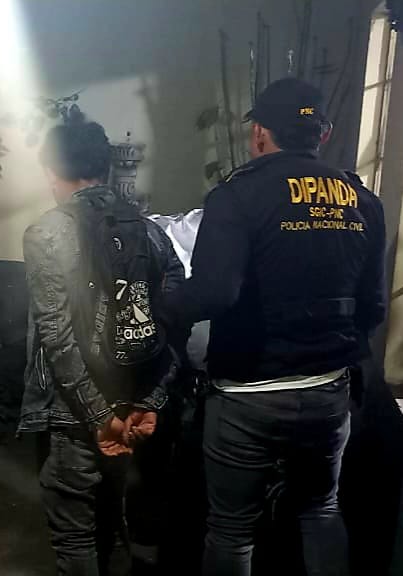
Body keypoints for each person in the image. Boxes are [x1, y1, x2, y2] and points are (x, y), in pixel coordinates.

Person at [159, 78, 386, 576]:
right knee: (320, 509)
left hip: (249, 393)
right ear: (322, 133)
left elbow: (216, 293)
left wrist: (159, 310)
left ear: (259, 133)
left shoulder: (237, 196)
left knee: (231, 528)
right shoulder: (362, 199)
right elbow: (372, 307)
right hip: (328, 391)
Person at [18, 109, 184, 576]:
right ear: (105, 167)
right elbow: (175, 319)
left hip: (73, 415)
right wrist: (149, 401)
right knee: (113, 523)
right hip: (132, 408)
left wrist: (97, 418)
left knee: (75, 536)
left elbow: (56, 336)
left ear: (53, 171)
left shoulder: (46, 233)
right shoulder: (150, 232)